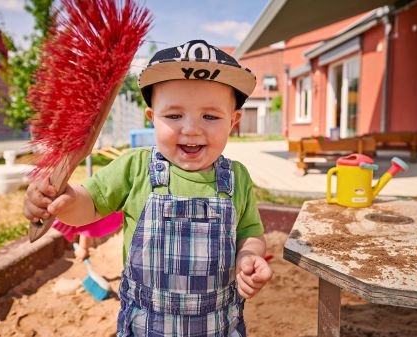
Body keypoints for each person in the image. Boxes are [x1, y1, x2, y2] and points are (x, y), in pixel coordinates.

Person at [24, 39, 273, 336]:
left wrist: (250, 256)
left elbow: (250, 234)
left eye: (210, 116)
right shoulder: (135, 168)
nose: (191, 128)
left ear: (233, 122)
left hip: (218, 325)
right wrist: (63, 200)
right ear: (152, 119)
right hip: (147, 326)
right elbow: (88, 206)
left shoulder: (237, 178)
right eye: (174, 115)